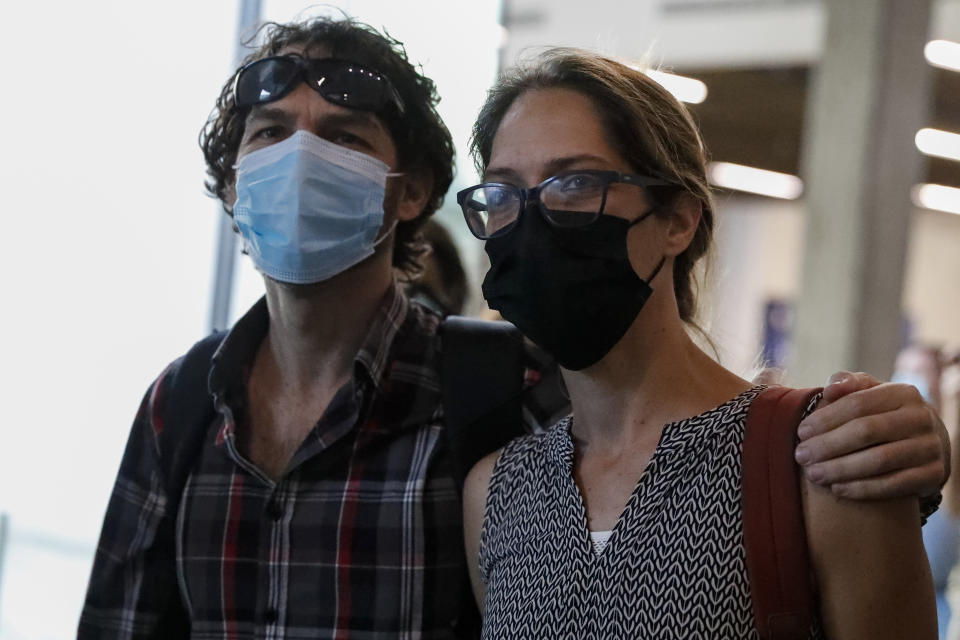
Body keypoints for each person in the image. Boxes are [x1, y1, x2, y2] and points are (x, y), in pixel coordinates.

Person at [79, 15, 949, 640]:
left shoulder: (497, 390)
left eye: (342, 137)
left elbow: (670, 407)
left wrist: (904, 443)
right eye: (269, 133)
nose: (299, 161)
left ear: (410, 191)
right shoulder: (185, 408)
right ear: (232, 180)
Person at [460, 49, 938, 638]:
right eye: (504, 192)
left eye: (577, 183)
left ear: (678, 221)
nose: (534, 220)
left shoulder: (818, 457)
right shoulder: (498, 492)